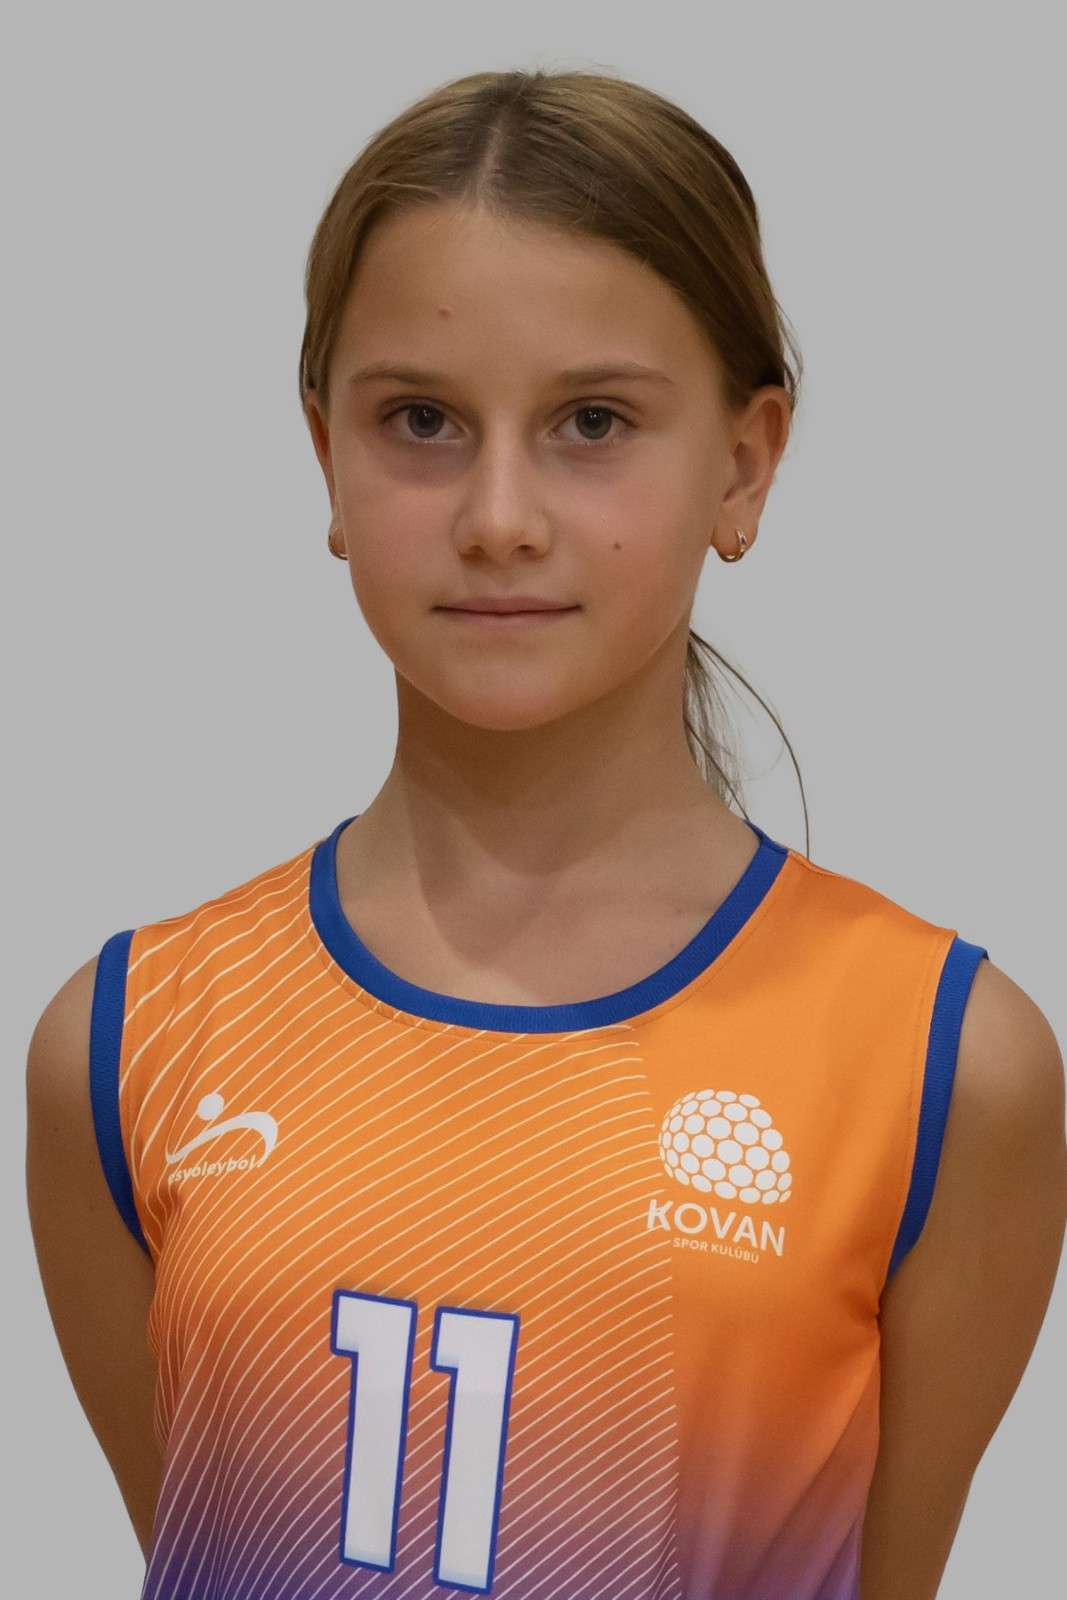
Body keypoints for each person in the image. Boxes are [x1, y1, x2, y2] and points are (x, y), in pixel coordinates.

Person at [25, 66, 1066, 1600]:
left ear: (745, 462)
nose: (499, 516)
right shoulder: (127, 1044)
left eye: (592, 421)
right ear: (324, 456)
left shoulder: (942, 1068)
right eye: (421, 421)